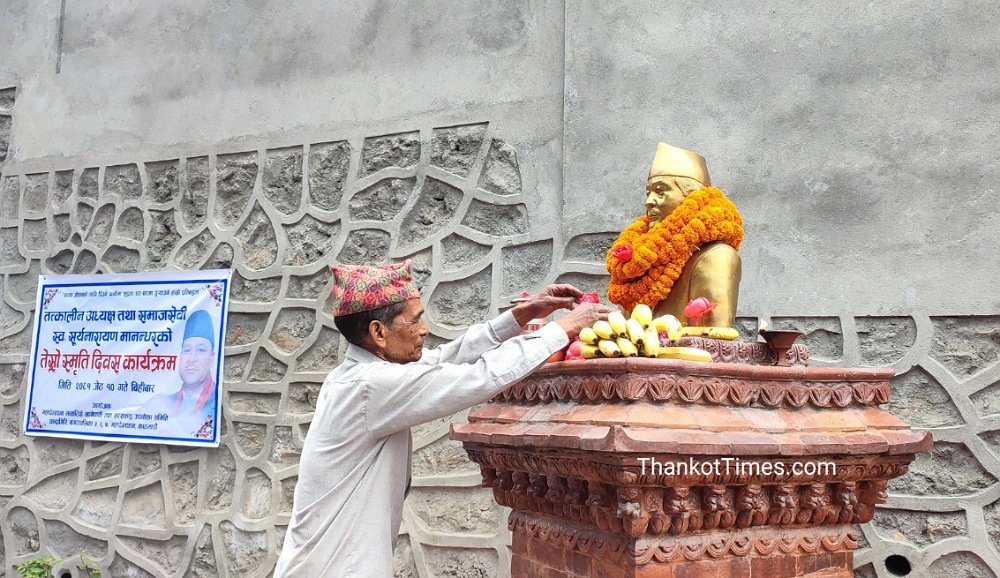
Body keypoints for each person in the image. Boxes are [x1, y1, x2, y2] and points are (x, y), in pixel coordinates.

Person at [273, 260, 610, 577]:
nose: (424, 330)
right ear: (378, 333)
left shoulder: (359, 375)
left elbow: (446, 358)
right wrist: (561, 330)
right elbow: (478, 377)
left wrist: (520, 315)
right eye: (414, 320)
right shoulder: (369, 386)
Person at [606, 142, 744, 327]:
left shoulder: (715, 257)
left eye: (660, 191)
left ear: (691, 196)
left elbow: (713, 337)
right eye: (648, 193)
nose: (649, 201)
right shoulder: (634, 265)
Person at [156, 309, 217, 422]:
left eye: (201, 350)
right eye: (187, 350)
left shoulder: (219, 401)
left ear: (212, 359)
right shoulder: (164, 404)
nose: (192, 359)